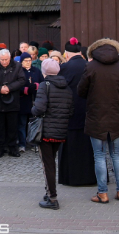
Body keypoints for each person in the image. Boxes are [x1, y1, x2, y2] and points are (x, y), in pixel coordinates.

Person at [78, 38, 119, 203]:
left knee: (99, 155)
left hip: (96, 116)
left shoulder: (91, 66)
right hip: (116, 115)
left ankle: (102, 193)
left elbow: (81, 90)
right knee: (116, 155)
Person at [31, 58, 70, 210]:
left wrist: (33, 111)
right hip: (61, 130)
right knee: (51, 162)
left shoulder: (44, 85)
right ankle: (49, 193)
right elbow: (70, 109)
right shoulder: (66, 87)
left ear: (45, 71)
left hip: (46, 130)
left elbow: (39, 108)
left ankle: (52, 198)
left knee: (48, 165)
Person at [58, 38, 95, 186]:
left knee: (72, 148)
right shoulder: (90, 66)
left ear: (66, 54)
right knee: (90, 148)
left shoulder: (65, 68)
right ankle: (91, 177)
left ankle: (71, 178)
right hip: (89, 113)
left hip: (71, 114)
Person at [0, 49, 27, 158]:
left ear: (10, 58)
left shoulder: (17, 66)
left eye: (6, 59)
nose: (4, 62)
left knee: (13, 127)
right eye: (2, 60)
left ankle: (13, 148)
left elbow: (22, 80)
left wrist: (9, 87)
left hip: (13, 100)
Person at [18, 54, 43, 153]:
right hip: (23, 101)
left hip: (34, 100)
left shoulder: (36, 71)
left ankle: (34, 142)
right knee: (22, 123)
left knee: (35, 123)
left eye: (29, 60)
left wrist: (37, 86)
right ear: (21, 61)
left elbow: (42, 82)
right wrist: (26, 89)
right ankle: (22, 144)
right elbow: (16, 85)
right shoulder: (19, 71)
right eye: (26, 60)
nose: (28, 62)